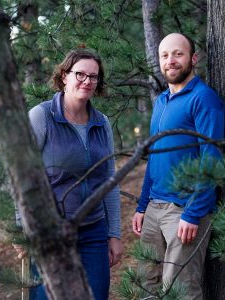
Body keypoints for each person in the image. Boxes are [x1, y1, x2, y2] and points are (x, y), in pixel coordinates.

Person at [16, 49, 122, 300]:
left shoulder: (101, 123)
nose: (87, 81)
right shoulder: (41, 116)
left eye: (93, 77)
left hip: (94, 232)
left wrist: (114, 234)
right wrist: (21, 229)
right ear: (64, 75)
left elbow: (109, 181)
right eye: (80, 74)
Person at [132, 33, 224, 299]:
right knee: (146, 284)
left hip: (183, 211)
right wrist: (141, 206)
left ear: (193, 59)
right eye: (164, 55)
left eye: (177, 54)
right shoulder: (161, 101)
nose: (170, 61)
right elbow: (156, 157)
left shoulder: (204, 99)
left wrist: (193, 212)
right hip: (153, 209)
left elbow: (213, 159)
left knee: (179, 291)